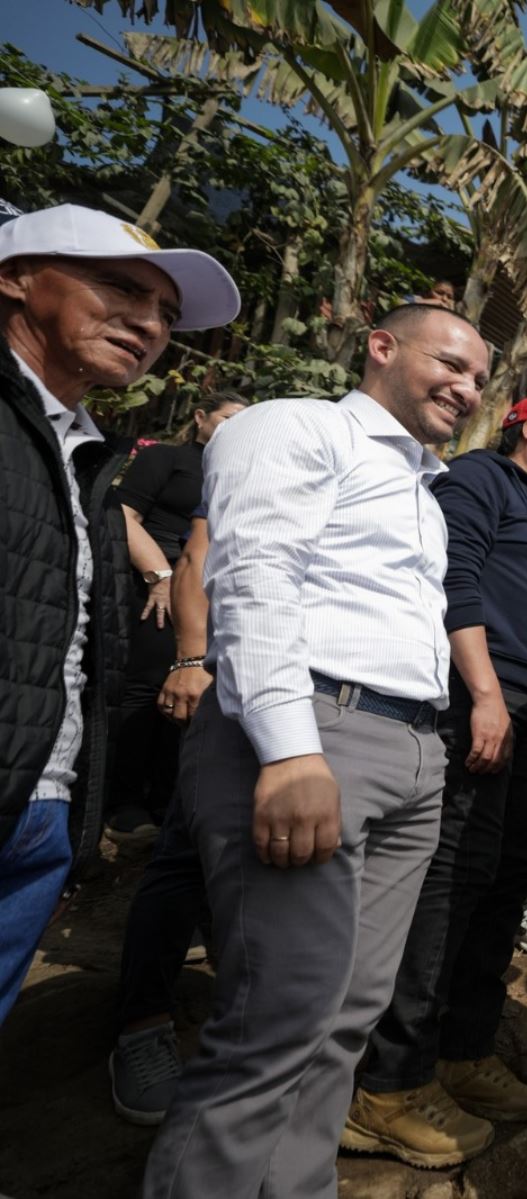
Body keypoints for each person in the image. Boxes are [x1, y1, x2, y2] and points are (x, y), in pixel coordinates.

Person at [142, 302, 482, 1197]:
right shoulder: (297, 425)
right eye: (451, 363)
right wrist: (290, 753)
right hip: (313, 733)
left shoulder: (422, 488)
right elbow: (254, 577)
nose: (469, 387)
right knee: (277, 1017)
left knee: (345, 1020)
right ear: (381, 347)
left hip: (412, 751)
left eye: (480, 377)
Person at [346, 397, 527, 1167]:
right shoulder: (476, 479)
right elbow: (450, 583)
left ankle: (464, 1051)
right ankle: (390, 1080)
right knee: (454, 875)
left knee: (508, 875)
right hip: (480, 697)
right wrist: (487, 692)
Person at [0, 204, 238, 1030]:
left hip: (43, 806)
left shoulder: (84, 455)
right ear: (17, 277)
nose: (149, 323)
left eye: (167, 313)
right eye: (119, 288)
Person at [110, 508, 216, 1124]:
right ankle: (141, 1026)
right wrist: (189, 657)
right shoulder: (287, 437)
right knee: (186, 848)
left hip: (314, 693)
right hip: (226, 680)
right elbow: (197, 554)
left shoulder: (420, 476)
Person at [106, 392, 248, 842]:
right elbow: (122, 516)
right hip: (157, 583)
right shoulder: (167, 458)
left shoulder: (243, 473)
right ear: (200, 416)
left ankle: (165, 798)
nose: (234, 430)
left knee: (193, 697)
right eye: (227, 419)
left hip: (212, 592)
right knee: (147, 686)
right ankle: (121, 801)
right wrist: (161, 576)